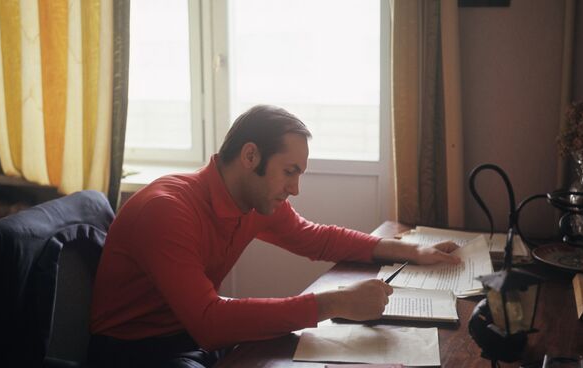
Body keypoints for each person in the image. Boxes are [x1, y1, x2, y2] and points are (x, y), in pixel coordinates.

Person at [88, 105, 460, 368]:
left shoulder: (253, 201)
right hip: (135, 350)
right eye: (289, 171)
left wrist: (411, 250)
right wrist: (332, 304)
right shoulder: (167, 210)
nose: (295, 189)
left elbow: (317, 239)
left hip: (189, 335)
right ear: (250, 156)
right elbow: (209, 322)